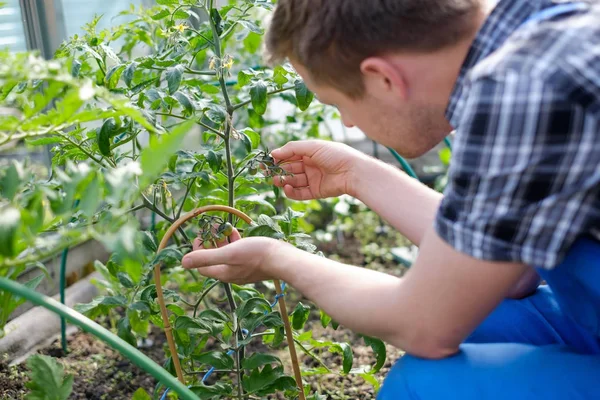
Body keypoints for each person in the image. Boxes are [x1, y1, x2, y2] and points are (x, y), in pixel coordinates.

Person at [182, 0, 600, 398]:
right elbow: (511, 269)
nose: (346, 121)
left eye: (338, 103)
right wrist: (355, 175)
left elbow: (426, 325)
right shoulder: (538, 29)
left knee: (421, 386)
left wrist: (279, 259)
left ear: (383, 78)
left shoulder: (523, 92)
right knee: (485, 311)